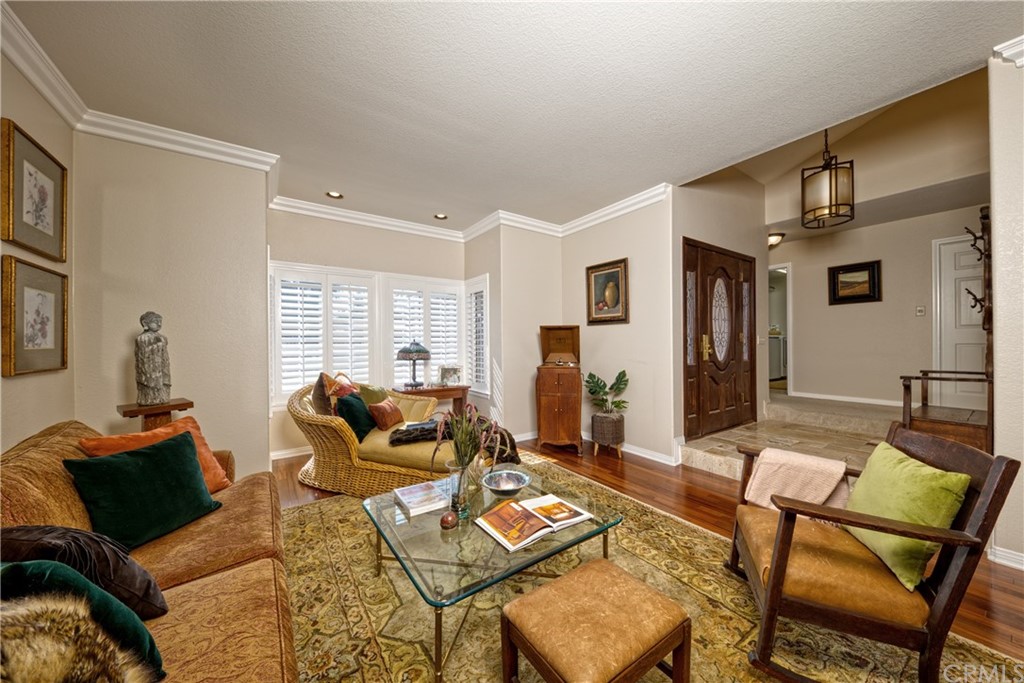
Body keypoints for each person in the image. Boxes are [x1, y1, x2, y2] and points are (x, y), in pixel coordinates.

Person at [135, 311, 171, 405]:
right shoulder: (142, 338)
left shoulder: (163, 338)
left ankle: (162, 396)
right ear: (145, 323)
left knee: (163, 383)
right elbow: (143, 356)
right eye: (155, 321)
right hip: (150, 367)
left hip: (162, 367)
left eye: (160, 321)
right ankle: (150, 398)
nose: (159, 324)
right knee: (151, 384)